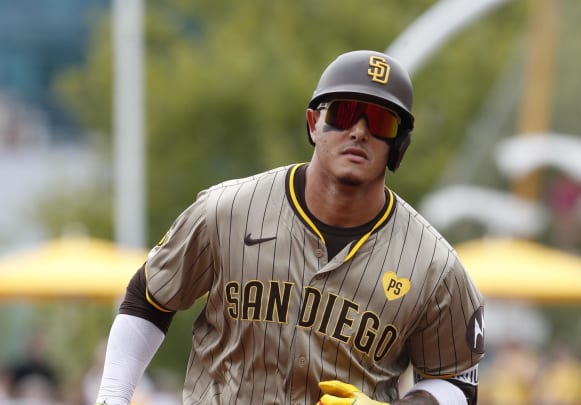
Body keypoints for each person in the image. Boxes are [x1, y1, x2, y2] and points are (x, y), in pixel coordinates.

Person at [94, 49, 485, 405]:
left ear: (399, 145)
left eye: (380, 120)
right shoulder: (226, 211)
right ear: (315, 123)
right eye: (345, 113)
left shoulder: (434, 265)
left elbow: (457, 382)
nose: (360, 131)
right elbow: (149, 298)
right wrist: (113, 394)